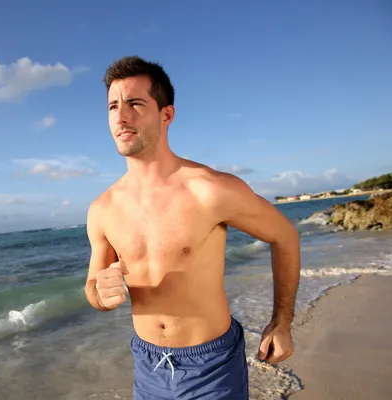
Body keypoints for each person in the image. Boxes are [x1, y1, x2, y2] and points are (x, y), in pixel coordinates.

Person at [84, 55, 301, 400]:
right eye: (113, 106)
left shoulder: (209, 190)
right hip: (147, 365)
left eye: (135, 103)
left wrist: (281, 322)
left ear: (166, 114)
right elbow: (94, 288)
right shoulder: (102, 210)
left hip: (212, 365)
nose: (121, 117)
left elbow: (284, 236)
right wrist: (102, 294)